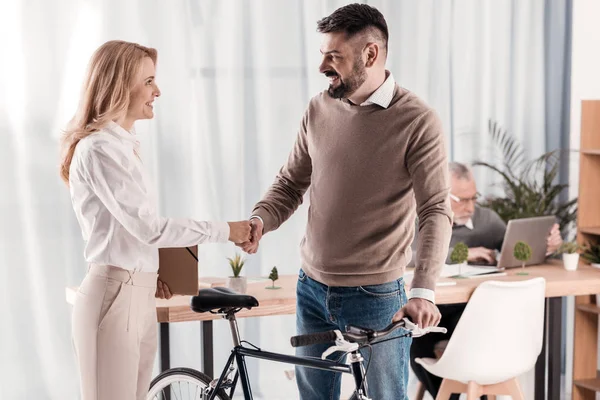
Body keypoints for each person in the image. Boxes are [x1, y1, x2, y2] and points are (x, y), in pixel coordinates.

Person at [238, 4, 452, 399]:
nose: (322, 66)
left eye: (333, 56)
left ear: (370, 54)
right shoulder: (319, 108)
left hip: (377, 297)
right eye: (322, 54)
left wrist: (424, 290)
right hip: (311, 288)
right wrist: (260, 220)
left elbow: (436, 210)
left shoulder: (417, 121)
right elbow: (289, 183)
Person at [60, 40, 252, 400]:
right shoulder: (100, 149)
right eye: (149, 81)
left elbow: (130, 232)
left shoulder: (122, 145)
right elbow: (147, 227)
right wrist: (227, 230)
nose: (157, 91)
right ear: (120, 85)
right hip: (114, 296)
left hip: (136, 293)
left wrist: (154, 271)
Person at [409, 161, 562, 400]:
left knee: (476, 336)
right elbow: (407, 256)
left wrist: (549, 246)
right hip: (435, 307)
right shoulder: (422, 218)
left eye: (474, 198)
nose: (471, 206)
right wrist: (461, 253)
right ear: (440, 192)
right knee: (415, 339)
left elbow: (516, 249)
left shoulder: (487, 220)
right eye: (462, 199)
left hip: (476, 311)